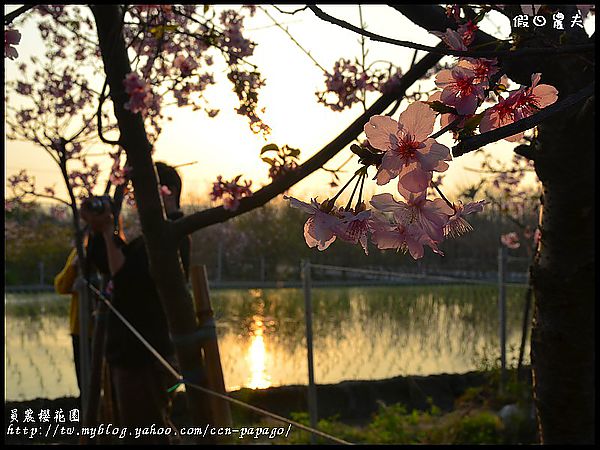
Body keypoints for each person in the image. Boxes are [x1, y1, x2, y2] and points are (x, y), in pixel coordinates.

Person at [81, 162, 190, 443]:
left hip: (144, 358)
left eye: (143, 193)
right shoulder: (147, 241)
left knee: (146, 432)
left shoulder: (173, 234)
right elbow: (107, 262)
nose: (138, 203)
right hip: (130, 354)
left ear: (166, 193)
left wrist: (107, 233)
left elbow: (127, 280)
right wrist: (101, 229)